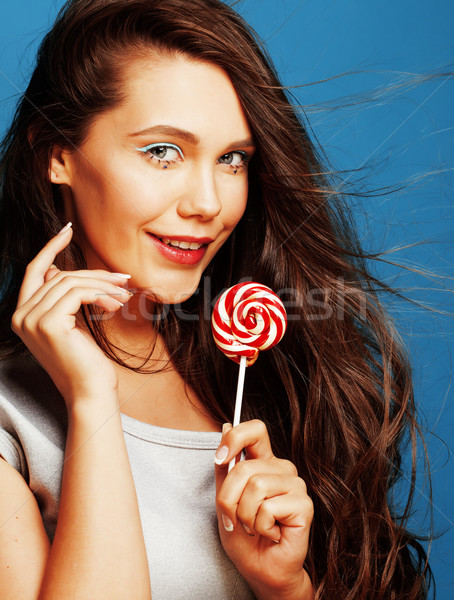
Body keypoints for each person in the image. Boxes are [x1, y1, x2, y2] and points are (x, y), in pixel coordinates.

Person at [0, 0, 432, 598]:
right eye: (162, 152)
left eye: (233, 159)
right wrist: (91, 399)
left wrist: (285, 587)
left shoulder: (276, 374)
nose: (208, 203)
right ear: (57, 155)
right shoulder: (9, 423)